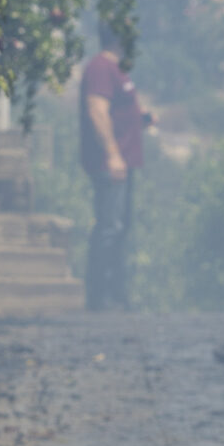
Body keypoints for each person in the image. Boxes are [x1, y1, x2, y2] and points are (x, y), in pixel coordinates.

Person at [79, 25, 145, 311]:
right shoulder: (100, 67)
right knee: (109, 226)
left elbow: (119, 109)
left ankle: (117, 294)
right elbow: (97, 109)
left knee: (119, 227)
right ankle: (99, 296)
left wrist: (143, 118)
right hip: (111, 162)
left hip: (123, 161)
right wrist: (112, 153)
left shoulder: (117, 69)